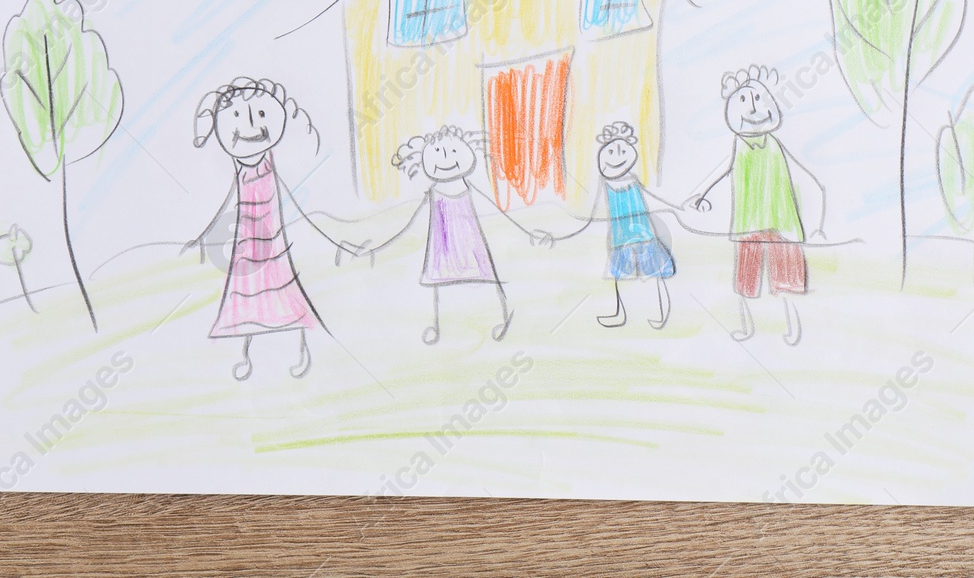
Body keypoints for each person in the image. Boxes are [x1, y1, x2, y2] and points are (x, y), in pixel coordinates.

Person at [184, 77, 346, 381]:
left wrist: (326, 234)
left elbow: (291, 199)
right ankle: (247, 353)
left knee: (284, 287)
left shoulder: (270, 162)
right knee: (245, 291)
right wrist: (206, 234)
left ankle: (300, 348)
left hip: (274, 242)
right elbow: (230, 199)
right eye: (236, 117)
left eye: (260, 114)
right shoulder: (239, 168)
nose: (250, 124)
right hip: (247, 244)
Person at [371, 126, 551, 345]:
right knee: (439, 285)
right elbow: (410, 223)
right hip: (443, 250)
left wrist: (526, 232)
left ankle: (502, 318)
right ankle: (437, 328)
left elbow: (495, 209)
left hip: (471, 246)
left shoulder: (468, 188)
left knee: (489, 277)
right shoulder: (433, 193)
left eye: (453, 152)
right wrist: (378, 247)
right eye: (438, 153)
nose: (446, 159)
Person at [691, 67, 825, 345]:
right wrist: (703, 193)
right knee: (746, 278)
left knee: (787, 277)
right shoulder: (739, 145)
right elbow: (725, 171)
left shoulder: (774, 143)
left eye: (758, 99)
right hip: (748, 222)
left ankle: (793, 326)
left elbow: (799, 171)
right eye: (744, 101)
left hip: (782, 220)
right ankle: (749, 326)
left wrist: (818, 195)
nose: (754, 108)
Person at [563, 122, 679, 329]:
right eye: (610, 152)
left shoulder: (633, 181)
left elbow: (652, 199)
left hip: (645, 237)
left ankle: (661, 313)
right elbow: (594, 214)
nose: (616, 157)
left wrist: (675, 208)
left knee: (655, 275)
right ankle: (620, 314)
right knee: (619, 278)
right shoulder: (605, 185)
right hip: (620, 240)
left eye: (622, 151)